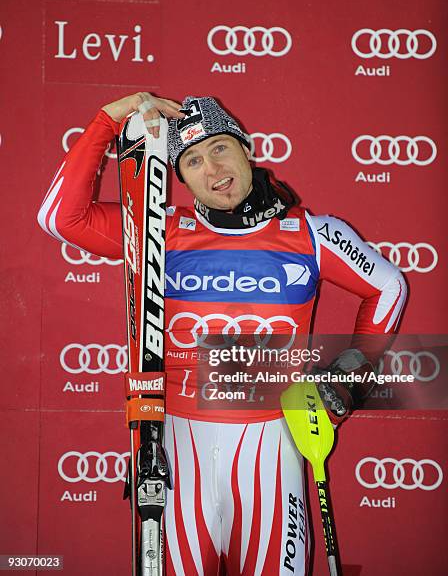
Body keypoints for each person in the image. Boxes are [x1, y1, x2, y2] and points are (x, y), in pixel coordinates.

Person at [38, 92, 407, 575]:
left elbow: (388, 287)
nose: (212, 169)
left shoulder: (313, 234)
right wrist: (107, 121)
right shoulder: (158, 230)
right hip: (177, 445)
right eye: (192, 160)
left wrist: (350, 376)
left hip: (273, 447)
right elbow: (61, 218)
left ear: (247, 147)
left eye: (219, 148)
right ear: (181, 178)